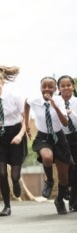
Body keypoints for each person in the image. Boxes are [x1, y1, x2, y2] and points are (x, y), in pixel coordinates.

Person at [0, 66, 27, 217]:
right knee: (2, 173)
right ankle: (6, 206)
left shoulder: (14, 97)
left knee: (14, 175)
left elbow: (25, 120)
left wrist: (20, 135)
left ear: (2, 83)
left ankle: (16, 181)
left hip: (15, 134)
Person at [24, 76, 70, 215]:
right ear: (40, 88)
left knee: (64, 177)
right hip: (43, 137)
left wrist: (55, 106)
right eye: (44, 86)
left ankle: (59, 200)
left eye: (50, 87)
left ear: (56, 89)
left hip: (58, 137)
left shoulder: (60, 101)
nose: (47, 89)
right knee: (47, 157)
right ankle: (49, 181)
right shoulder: (35, 100)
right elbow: (26, 103)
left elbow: (65, 123)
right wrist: (26, 123)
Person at [57, 75, 77, 211]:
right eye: (63, 86)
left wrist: (72, 114)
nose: (66, 88)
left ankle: (74, 203)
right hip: (61, 138)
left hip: (75, 137)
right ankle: (64, 192)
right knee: (66, 170)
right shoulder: (55, 102)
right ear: (58, 88)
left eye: (69, 85)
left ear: (73, 86)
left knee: (75, 170)